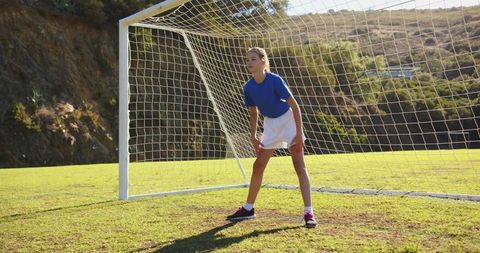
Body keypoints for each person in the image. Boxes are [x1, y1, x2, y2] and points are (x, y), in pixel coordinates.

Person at [226, 47, 317, 228]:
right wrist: (253, 135)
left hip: (288, 121)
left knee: (299, 165)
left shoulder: (275, 80)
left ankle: (309, 212)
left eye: (253, 59)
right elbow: (253, 112)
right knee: (258, 165)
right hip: (270, 125)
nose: (249, 63)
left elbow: (295, 105)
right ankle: (248, 208)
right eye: (247, 60)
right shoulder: (248, 87)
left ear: (263, 61)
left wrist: (299, 132)